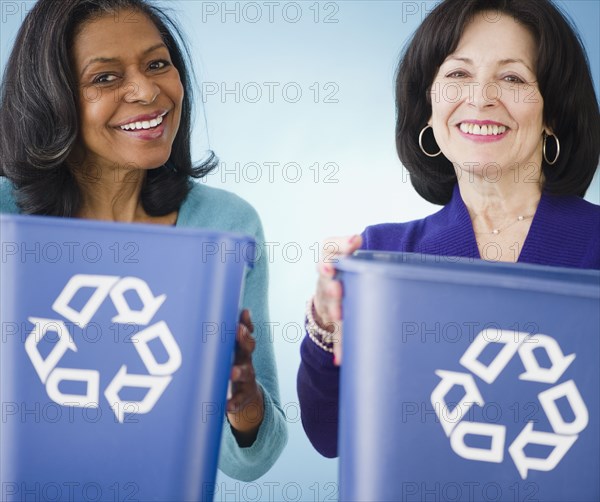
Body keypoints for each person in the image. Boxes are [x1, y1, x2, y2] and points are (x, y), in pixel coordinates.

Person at [297, 0, 600, 458]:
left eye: (513, 78)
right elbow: (331, 435)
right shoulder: (383, 257)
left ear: (553, 111)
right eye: (457, 74)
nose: (480, 97)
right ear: (428, 106)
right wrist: (325, 321)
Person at [0, 0, 286, 481]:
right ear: (52, 98)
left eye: (157, 64)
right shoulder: (7, 219)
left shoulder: (224, 224)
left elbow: (251, 461)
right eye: (105, 78)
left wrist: (242, 397)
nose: (146, 90)